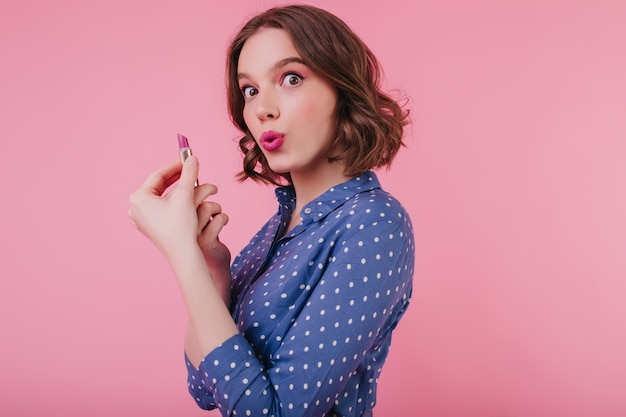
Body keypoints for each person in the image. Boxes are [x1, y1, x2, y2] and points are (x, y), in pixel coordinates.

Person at [128, 4, 414, 416]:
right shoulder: (279, 227)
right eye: (250, 90)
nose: (263, 109)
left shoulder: (375, 224)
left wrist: (180, 253)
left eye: (291, 78)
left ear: (343, 89)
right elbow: (204, 389)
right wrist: (213, 272)